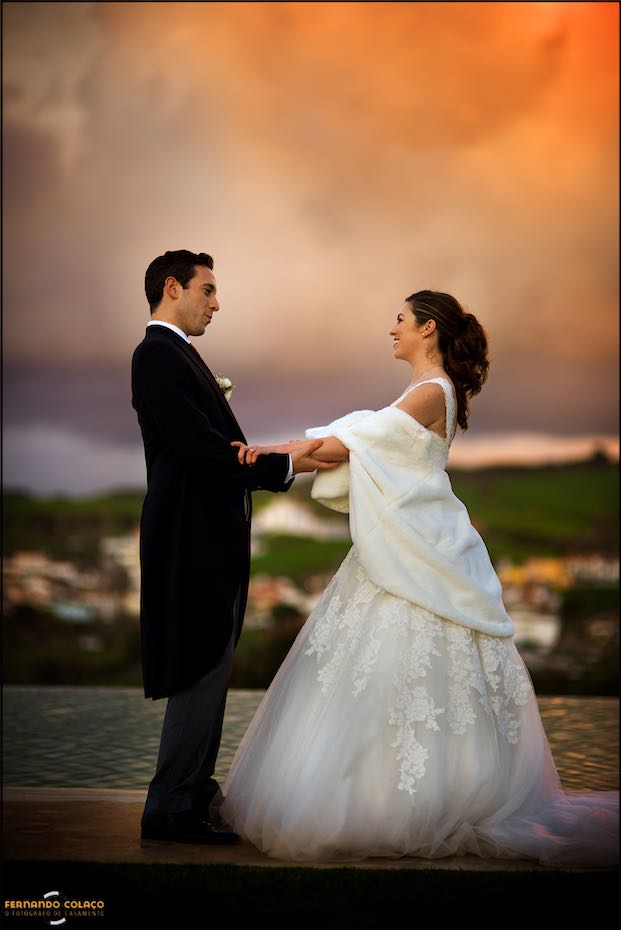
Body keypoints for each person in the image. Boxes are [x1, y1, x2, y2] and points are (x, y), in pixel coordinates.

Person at [221, 289, 619, 865]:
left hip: (419, 550)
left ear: (428, 329)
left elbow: (345, 445)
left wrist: (267, 451)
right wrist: (285, 455)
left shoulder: (432, 392)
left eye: (400, 320)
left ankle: (412, 799)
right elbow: (352, 449)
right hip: (406, 546)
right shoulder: (422, 392)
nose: (392, 329)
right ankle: (399, 788)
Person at [131, 249, 336, 845]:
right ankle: (169, 806)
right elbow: (200, 451)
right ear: (173, 288)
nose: (217, 304)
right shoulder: (155, 356)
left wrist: (284, 458)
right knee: (199, 664)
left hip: (213, 541)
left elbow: (224, 451)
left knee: (213, 665)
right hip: (191, 543)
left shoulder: (179, 357)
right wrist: (282, 465)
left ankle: (192, 793)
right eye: (208, 291)